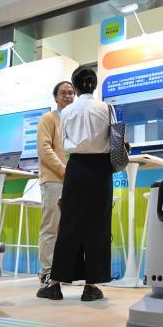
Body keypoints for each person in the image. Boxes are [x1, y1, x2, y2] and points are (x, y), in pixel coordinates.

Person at [38, 67, 112, 301]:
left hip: (76, 167)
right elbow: (114, 139)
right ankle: (91, 287)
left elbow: (65, 140)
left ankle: (55, 285)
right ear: (95, 85)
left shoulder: (67, 112)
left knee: (68, 226)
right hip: (101, 170)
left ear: (76, 88)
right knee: (98, 227)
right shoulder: (106, 108)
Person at [35, 81, 74, 289]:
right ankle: (47, 272)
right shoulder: (48, 119)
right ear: (56, 97)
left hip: (73, 181)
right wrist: (65, 171)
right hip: (53, 179)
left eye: (71, 93)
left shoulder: (75, 119)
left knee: (67, 229)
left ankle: (63, 272)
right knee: (51, 227)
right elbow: (44, 149)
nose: (68, 96)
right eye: (63, 93)